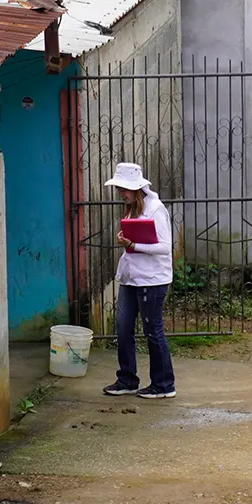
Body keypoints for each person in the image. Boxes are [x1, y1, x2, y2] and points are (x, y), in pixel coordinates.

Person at [102, 162, 176, 399]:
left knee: (153, 330)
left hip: (152, 279)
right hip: (131, 277)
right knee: (123, 327)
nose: (121, 193)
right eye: (119, 189)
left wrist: (134, 245)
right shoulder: (133, 208)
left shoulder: (155, 209)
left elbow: (165, 247)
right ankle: (127, 379)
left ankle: (164, 384)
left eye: (124, 189)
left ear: (136, 188)